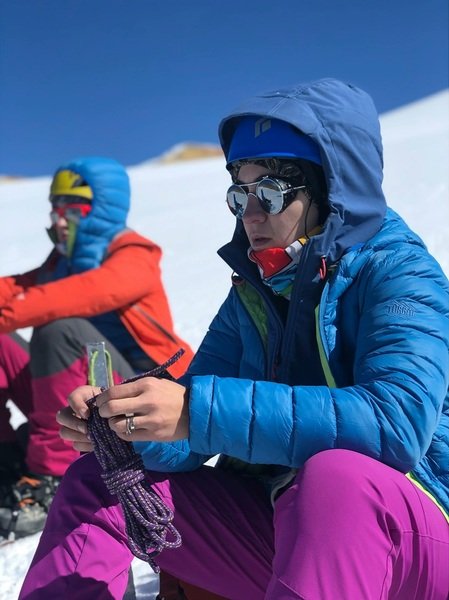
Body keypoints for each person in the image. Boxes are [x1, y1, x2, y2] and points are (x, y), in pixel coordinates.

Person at [20, 78, 449, 599]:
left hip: (413, 539)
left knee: (336, 479)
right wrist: (131, 424)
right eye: (239, 194)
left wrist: (196, 411)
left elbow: (397, 425)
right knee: (98, 481)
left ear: (332, 191)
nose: (250, 214)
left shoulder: (402, 274)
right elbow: (190, 430)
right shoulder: (253, 292)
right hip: (292, 531)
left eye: (270, 192)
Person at [0, 156, 193, 540]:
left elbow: (82, 294)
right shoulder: (60, 264)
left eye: (71, 211)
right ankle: (6, 459)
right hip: (84, 397)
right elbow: (15, 288)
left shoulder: (135, 255)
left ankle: (52, 477)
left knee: (61, 328)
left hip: (141, 397)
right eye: (56, 210)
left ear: (100, 211)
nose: (59, 222)